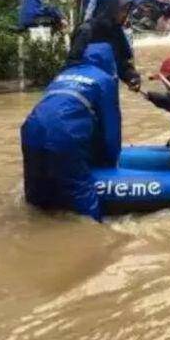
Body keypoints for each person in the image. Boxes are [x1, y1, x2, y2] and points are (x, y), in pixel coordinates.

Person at [21, 43, 120, 221]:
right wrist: (110, 164)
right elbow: (111, 128)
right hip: (65, 133)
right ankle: (93, 237)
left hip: (30, 129)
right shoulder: (105, 80)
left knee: (36, 200)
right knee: (83, 196)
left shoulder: (62, 75)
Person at [67, 0, 141, 91]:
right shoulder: (86, 31)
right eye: (122, 10)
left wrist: (132, 77)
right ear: (112, 9)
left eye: (127, 11)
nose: (125, 15)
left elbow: (123, 63)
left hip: (108, 88)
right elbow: (73, 63)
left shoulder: (117, 32)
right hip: (86, 88)